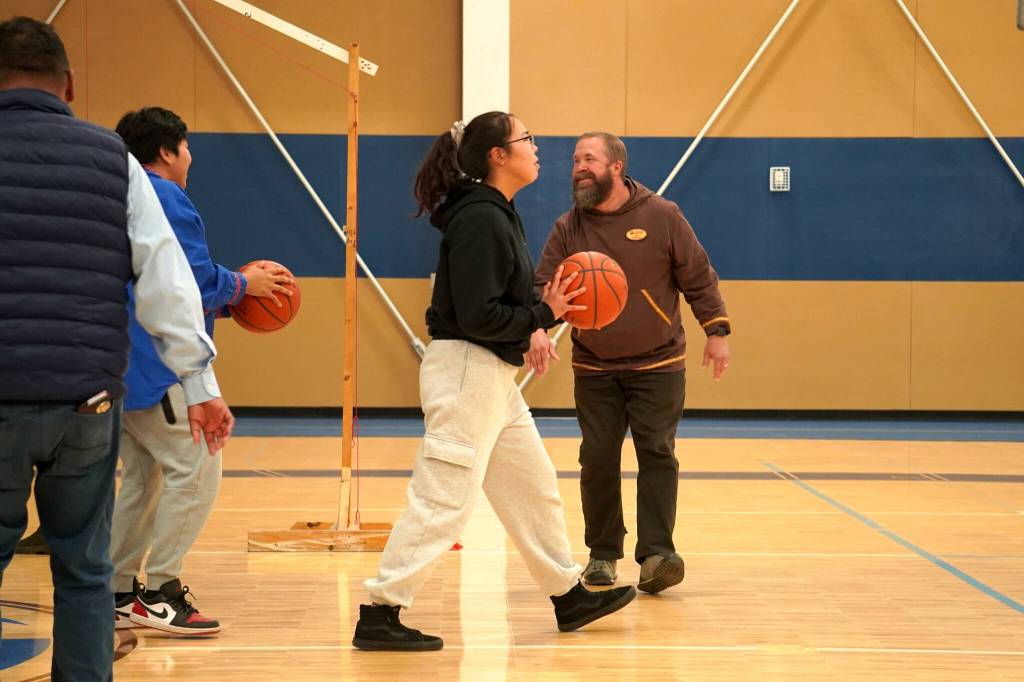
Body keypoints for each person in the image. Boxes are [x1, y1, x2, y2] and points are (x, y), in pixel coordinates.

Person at [0, 16, 234, 682]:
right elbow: (168, 284)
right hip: (88, 397)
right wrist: (202, 386)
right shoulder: (114, 161)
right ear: (69, 84)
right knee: (85, 568)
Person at [353, 112, 637, 652]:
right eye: (526, 138)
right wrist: (540, 316)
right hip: (466, 372)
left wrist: (537, 321)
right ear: (497, 156)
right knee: (444, 501)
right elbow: (480, 315)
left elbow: (496, 306)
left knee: (532, 487)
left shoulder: (496, 212)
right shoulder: (481, 218)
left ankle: (568, 594)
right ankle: (381, 611)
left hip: (490, 377)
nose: (537, 146)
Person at [108, 107, 293, 636]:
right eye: (186, 147)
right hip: (157, 362)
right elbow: (183, 279)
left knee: (145, 480)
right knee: (199, 469)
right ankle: (163, 589)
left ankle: (120, 592)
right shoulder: (163, 195)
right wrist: (241, 285)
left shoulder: (120, 192)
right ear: (167, 150)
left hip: (122, 361)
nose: (190, 157)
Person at [532, 131, 731, 594]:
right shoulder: (569, 227)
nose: (578, 167)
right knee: (597, 458)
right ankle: (602, 556)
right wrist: (538, 325)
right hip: (596, 364)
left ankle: (658, 554)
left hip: (659, 362)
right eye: (575, 160)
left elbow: (698, 275)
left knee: (657, 453)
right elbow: (544, 284)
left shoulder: (661, 216)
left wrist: (716, 330)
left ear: (616, 167)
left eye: (589, 159)